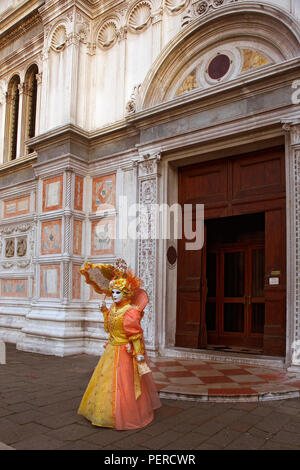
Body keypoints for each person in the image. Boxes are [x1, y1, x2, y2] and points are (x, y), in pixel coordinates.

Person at [77, 262, 161, 430]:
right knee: (105, 382)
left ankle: (126, 414)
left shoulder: (130, 311)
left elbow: (135, 335)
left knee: (125, 384)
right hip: (111, 350)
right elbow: (109, 329)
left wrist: (138, 353)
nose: (114, 295)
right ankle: (104, 413)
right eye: (112, 292)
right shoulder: (113, 309)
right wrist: (104, 311)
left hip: (124, 352)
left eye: (118, 292)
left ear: (125, 294)